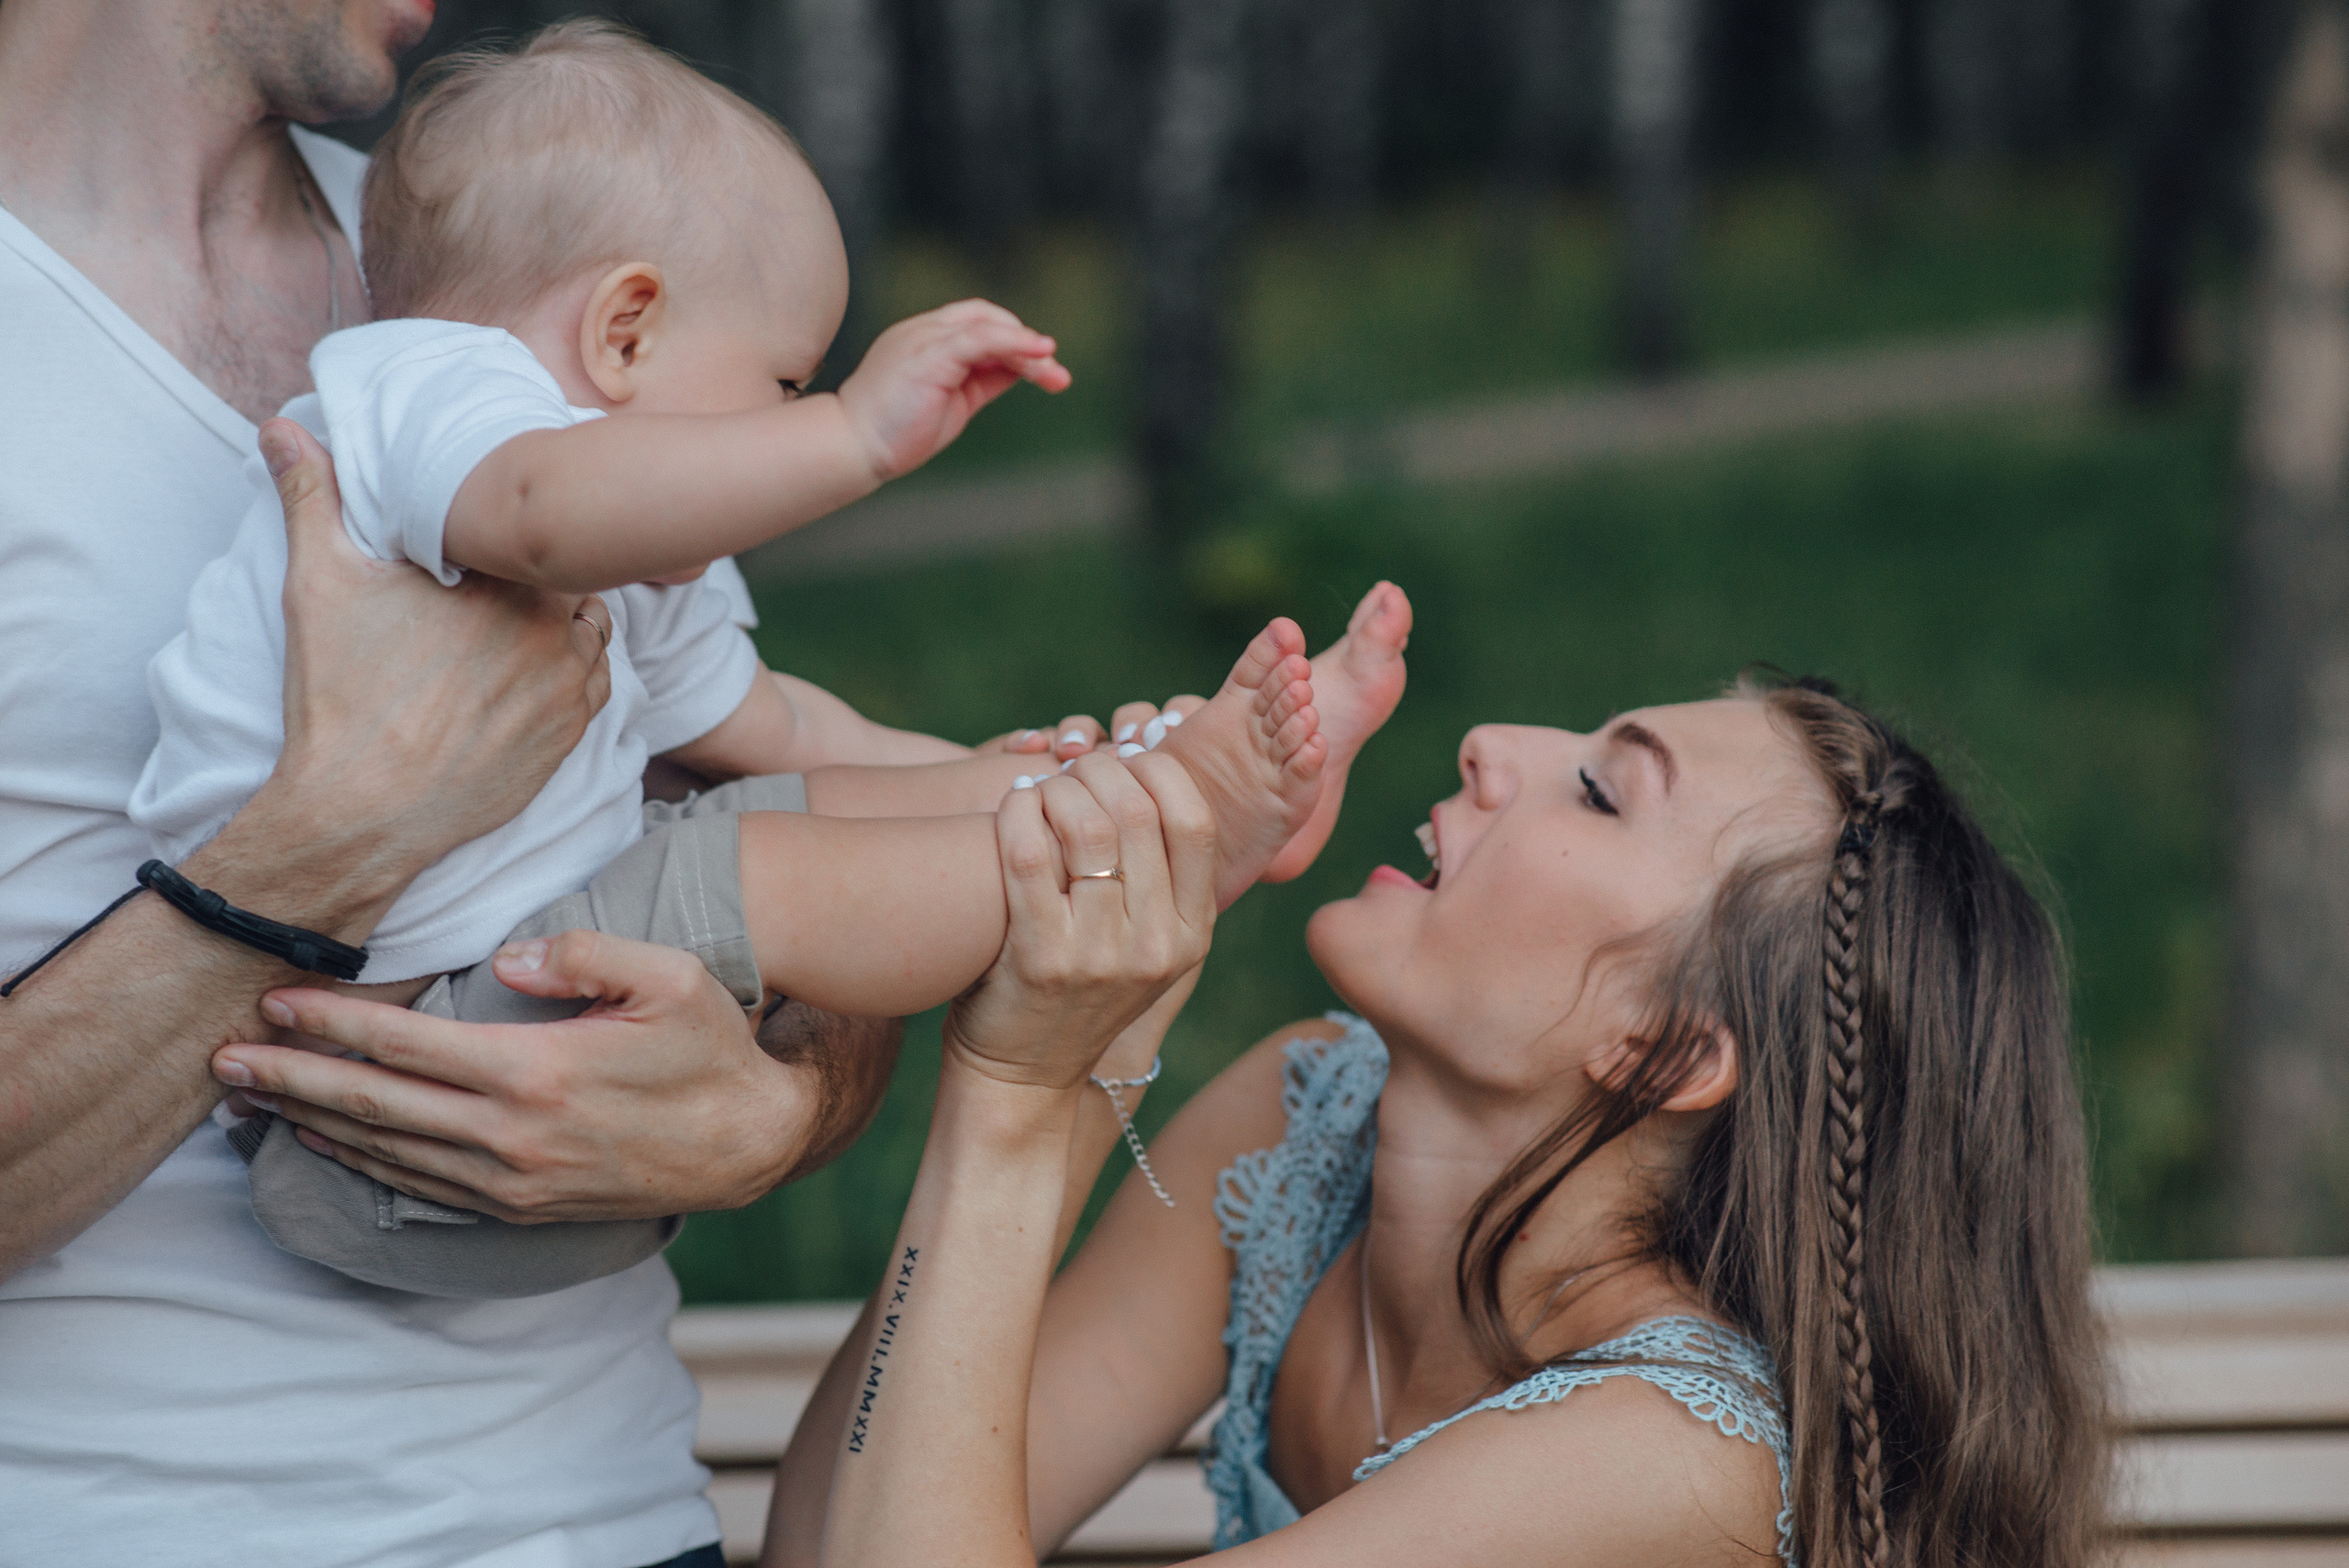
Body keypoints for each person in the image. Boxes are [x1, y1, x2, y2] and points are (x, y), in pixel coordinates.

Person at [0, 2, 1057, 1562]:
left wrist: (777, 1107)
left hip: (616, 1514)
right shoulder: (459, 361)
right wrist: (320, 852)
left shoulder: (489, 237)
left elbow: (747, 825)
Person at [120, 22, 1345, 1299]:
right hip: (376, 1099)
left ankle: (1151, 802)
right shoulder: (429, 392)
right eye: (781, 381)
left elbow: (787, 732)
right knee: (748, 860)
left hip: (494, 1059)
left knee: (784, 804)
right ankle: (1175, 839)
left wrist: (1008, 770)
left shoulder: (631, 554)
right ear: (626, 332)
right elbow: (541, 502)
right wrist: (851, 435)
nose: (784, 426)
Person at [771, 673, 2109, 1568]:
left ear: (1662, 1046)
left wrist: (1009, 1096)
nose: (1494, 745)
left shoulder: (1670, 1451)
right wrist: (1084, 1061)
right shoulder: (1303, 1129)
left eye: (1596, 789)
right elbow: (828, 1533)